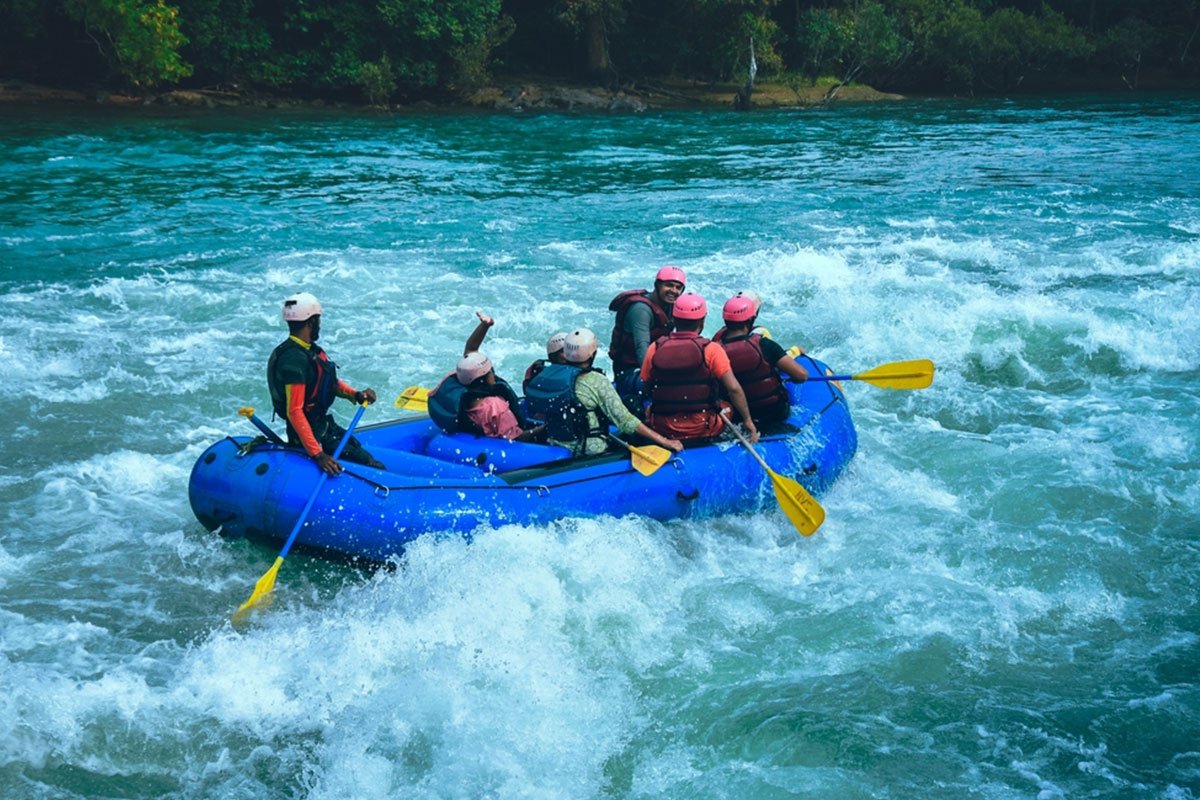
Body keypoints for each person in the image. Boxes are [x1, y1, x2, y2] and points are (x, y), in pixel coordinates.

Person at [267, 292, 382, 475]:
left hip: (324, 426)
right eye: (318, 319)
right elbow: (294, 411)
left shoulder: (308, 350)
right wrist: (318, 454)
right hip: (310, 436)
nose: (320, 324)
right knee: (371, 467)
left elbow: (330, 382)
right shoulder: (293, 360)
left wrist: (356, 395)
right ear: (312, 322)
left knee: (360, 450)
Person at [525, 328, 684, 457]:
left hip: (556, 442)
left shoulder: (548, 375)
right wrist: (664, 441)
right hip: (589, 449)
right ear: (592, 354)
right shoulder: (596, 380)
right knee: (635, 422)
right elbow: (626, 421)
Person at [639, 293, 759, 443]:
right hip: (703, 426)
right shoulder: (711, 349)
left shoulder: (655, 347)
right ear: (702, 322)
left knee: (649, 408)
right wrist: (748, 420)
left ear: (674, 319)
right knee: (727, 406)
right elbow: (734, 389)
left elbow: (646, 384)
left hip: (663, 426)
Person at [428, 311, 544, 442]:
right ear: (483, 378)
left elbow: (470, 350)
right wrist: (546, 429)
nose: (493, 374)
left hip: (474, 432)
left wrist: (485, 326)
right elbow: (516, 438)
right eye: (490, 372)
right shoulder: (495, 407)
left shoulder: (464, 385)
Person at [713, 295, 809, 427]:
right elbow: (801, 375)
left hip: (738, 416)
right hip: (774, 412)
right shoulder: (764, 344)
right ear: (751, 320)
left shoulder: (713, 350)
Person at [608, 265, 686, 412]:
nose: (674, 291)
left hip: (654, 366)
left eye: (678, 287)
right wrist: (657, 381)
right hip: (630, 372)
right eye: (669, 285)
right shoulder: (641, 310)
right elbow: (641, 348)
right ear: (657, 285)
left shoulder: (670, 306)